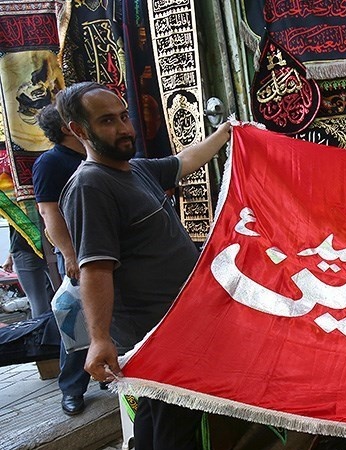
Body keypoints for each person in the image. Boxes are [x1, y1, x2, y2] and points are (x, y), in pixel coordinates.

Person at [57, 81, 230, 450]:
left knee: (160, 414)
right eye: (107, 121)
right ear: (79, 130)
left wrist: (226, 133)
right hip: (153, 332)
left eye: (124, 117)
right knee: (174, 423)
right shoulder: (91, 186)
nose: (124, 129)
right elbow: (96, 268)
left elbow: (185, 162)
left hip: (179, 323)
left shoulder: (134, 170)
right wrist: (101, 338)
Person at [31, 103, 92, 416]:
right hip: (77, 249)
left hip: (105, 244)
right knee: (76, 319)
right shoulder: (51, 162)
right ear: (70, 127)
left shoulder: (93, 154)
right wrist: (68, 254)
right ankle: (72, 388)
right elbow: (48, 211)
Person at [2, 227, 53, 317]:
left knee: (38, 301)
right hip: (51, 247)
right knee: (58, 297)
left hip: (26, 250)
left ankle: (42, 329)